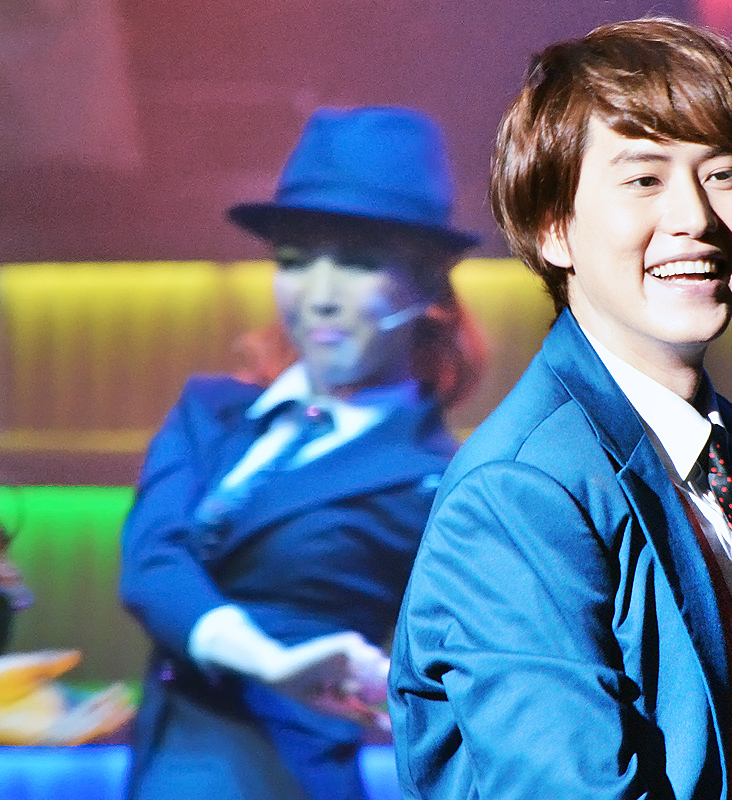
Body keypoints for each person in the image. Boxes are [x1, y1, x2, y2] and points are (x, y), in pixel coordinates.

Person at [390, 18, 732, 800]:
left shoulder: (715, 437)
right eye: (644, 179)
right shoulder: (521, 488)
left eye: (724, 174)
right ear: (552, 229)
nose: (696, 218)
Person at [118, 106, 482, 800]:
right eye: (293, 262)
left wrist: (402, 688)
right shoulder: (210, 413)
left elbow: (467, 658)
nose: (318, 296)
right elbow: (149, 564)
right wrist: (266, 659)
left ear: (428, 287)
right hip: (162, 767)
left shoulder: (443, 481)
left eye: (356, 263)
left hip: (285, 776)